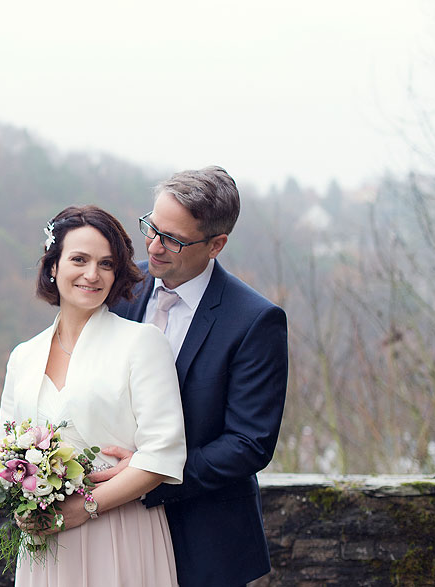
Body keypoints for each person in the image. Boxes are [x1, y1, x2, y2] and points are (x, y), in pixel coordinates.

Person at [92, 166, 289, 586]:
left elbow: (249, 443)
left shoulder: (255, 321)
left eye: (174, 240)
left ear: (216, 244)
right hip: (114, 530)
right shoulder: (121, 285)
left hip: (206, 539)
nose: (155, 246)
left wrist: (149, 475)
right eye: (152, 228)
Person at [0, 205, 187, 586]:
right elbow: (3, 451)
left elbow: (163, 454)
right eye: (79, 259)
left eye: (105, 263)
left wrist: (85, 507)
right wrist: (20, 505)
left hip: (120, 532)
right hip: (45, 542)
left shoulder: (142, 343)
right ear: (53, 266)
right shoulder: (24, 356)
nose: (91, 274)